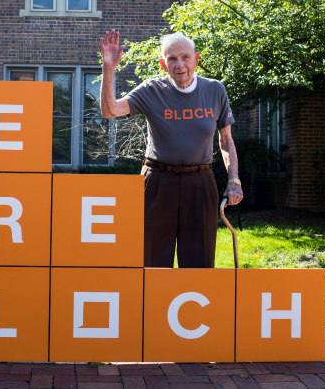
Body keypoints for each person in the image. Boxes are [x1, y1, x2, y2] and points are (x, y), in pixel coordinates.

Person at [99, 29, 243, 268]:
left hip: (200, 182)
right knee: (152, 262)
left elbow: (226, 141)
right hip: (158, 181)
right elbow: (110, 110)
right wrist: (108, 68)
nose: (180, 65)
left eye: (185, 57)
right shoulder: (151, 90)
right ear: (163, 64)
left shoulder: (215, 90)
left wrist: (234, 180)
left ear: (196, 59)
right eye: (172, 59)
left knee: (199, 263)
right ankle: (151, 305)